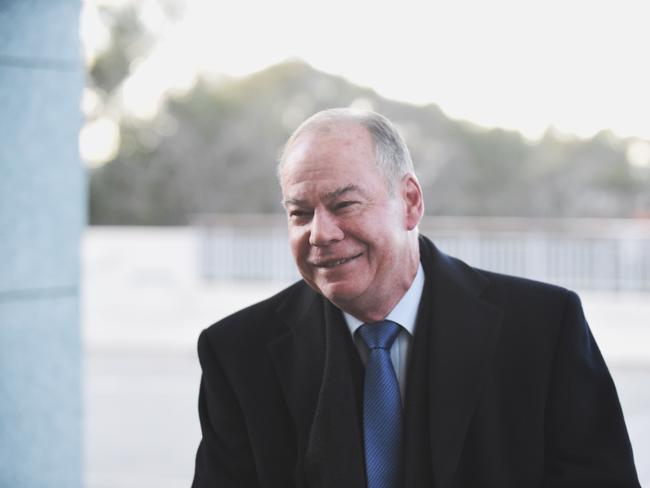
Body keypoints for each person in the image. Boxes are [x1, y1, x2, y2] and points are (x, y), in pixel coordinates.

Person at [191, 108, 640, 487]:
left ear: (409, 201)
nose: (320, 234)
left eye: (344, 205)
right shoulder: (236, 353)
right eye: (300, 214)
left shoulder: (543, 329)